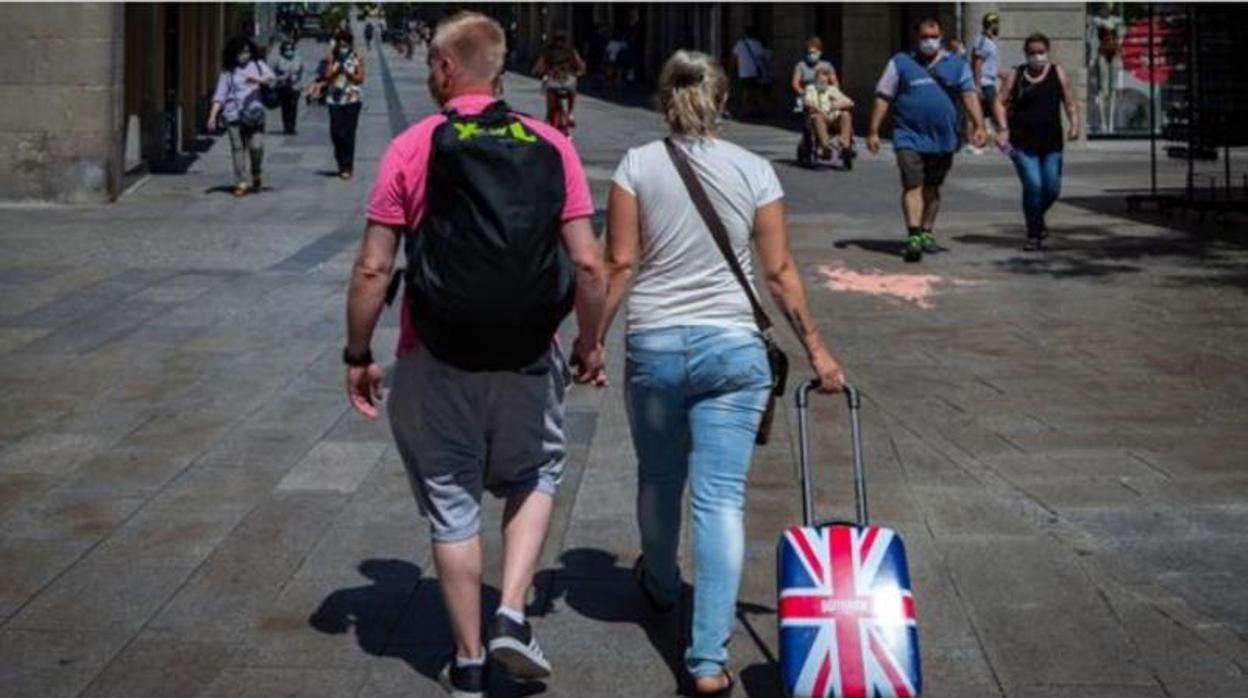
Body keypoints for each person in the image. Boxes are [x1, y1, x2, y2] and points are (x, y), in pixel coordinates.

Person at [344, 12, 606, 698]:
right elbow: (587, 264)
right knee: (538, 471)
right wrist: (591, 340)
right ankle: (513, 612)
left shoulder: (412, 145)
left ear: (444, 68)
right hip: (527, 350)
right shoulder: (551, 143)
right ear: (496, 70)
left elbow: (374, 269)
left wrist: (358, 352)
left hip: (436, 352)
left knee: (452, 498)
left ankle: (465, 662)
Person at [598, 49, 846, 697]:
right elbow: (778, 272)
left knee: (658, 476)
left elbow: (620, 264)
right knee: (720, 501)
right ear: (723, 99)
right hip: (735, 350)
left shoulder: (635, 165)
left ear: (664, 100)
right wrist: (817, 351)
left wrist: (589, 340)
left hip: (653, 344)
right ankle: (707, 660)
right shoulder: (756, 169)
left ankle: (657, 582)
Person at [867, 17, 987, 263]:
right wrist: (873, 130)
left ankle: (926, 231)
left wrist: (979, 124)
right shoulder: (901, 63)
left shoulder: (957, 64)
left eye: (933, 37)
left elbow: (969, 94)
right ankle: (913, 235)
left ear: (941, 36)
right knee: (913, 184)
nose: (929, 42)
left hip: (943, 139)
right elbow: (883, 96)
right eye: (924, 37)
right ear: (917, 38)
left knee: (932, 188)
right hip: (908, 135)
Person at [994, 32, 1080, 251]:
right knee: (1033, 185)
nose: (1037, 56)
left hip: (1051, 142)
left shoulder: (1057, 72)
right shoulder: (1017, 74)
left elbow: (1069, 101)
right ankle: (1034, 234)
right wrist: (1003, 129)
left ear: (1047, 51)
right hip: (1022, 142)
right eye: (1032, 52)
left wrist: (1074, 124)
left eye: (1041, 52)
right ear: (1026, 53)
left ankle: (1036, 219)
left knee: (1051, 188)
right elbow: (999, 102)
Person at [207, 35, 276, 197]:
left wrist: (258, 80)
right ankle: (241, 182)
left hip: (254, 113)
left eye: (247, 51)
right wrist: (212, 116)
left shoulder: (258, 65)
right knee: (238, 149)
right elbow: (220, 95)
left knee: (256, 146)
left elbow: (272, 79)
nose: (244, 54)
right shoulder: (228, 71)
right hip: (233, 115)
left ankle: (256, 172)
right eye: (241, 51)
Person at [325, 30, 365, 179]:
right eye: (340, 41)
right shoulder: (332, 56)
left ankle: (347, 166)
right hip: (334, 99)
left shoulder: (357, 57)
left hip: (352, 99)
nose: (342, 44)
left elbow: (361, 78)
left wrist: (348, 74)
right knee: (336, 132)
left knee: (349, 133)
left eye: (345, 41)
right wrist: (336, 72)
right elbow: (327, 77)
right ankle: (340, 158)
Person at [531, 32, 587, 131]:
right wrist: (578, 73)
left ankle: (548, 119)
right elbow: (580, 67)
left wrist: (538, 72)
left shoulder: (548, 51)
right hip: (568, 81)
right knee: (572, 89)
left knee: (550, 98)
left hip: (553, 81)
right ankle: (570, 113)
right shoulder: (571, 51)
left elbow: (537, 67)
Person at [805, 64, 856, 159]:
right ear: (816, 77)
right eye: (821, 75)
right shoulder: (811, 89)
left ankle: (845, 144)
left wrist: (836, 105)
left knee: (846, 114)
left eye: (826, 75)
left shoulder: (832, 90)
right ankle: (825, 146)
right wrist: (821, 111)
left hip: (833, 119)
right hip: (819, 119)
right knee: (817, 117)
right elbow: (808, 103)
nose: (824, 78)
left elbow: (850, 102)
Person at [971, 11, 1002, 144]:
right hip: (984, 84)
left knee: (988, 114)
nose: (997, 27)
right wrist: (977, 86)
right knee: (996, 113)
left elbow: (989, 64)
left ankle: (984, 141)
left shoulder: (989, 42)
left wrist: (1001, 74)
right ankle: (1002, 141)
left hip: (989, 81)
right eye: (995, 24)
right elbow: (977, 63)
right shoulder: (983, 41)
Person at [730, 27, 771, 117]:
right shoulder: (758, 44)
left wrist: (733, 69)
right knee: (758, 91)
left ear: (745, 34)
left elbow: (734, 58)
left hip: (744, 72)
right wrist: (767, 70)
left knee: (746, 92)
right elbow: (763, 59)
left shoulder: (739, 44)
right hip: (757, 72)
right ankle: (761, 109)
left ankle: (746, 110)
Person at [271, 40, 305, 135]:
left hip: (295, 87)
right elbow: (273, 74)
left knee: (293, 107)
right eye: (286, 49)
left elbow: (301, 72)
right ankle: (286, 126)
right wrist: (280, 78)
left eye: (290, 49)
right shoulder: (278, 60)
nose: (289, 51)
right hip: (283, 87)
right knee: (285, 107)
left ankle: (292, 126)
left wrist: (301, 83)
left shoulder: (298, 59)